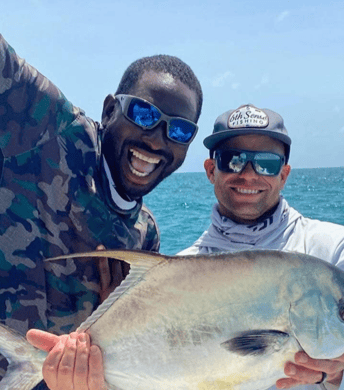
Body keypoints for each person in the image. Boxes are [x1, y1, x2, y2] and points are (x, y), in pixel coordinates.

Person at [0, 32, 202, 390]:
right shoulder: (50, 126)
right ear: (109, 110)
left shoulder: (145, 235)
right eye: (144, 114)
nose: (157, 140)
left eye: (180, 131)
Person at [177, 104, 344, 389]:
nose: (249, 174)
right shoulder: (178, 272)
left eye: (267, 163)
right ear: (211, 170)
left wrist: (337, 370)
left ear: (284, 175)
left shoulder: (333, 247)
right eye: (233, 160)